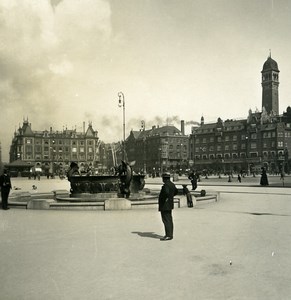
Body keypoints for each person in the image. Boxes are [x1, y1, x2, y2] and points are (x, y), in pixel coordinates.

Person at [158, 172, 178, 241]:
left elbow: (166, 192)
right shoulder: (172, 184)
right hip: (169, 204)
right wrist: (170, 197)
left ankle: (168, 235)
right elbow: (176, 191)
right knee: (169, 219)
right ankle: (170, 234)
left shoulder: (166, 185)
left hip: (165, 205)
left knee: (166, 220)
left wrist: (165, 198)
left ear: (164, 178)